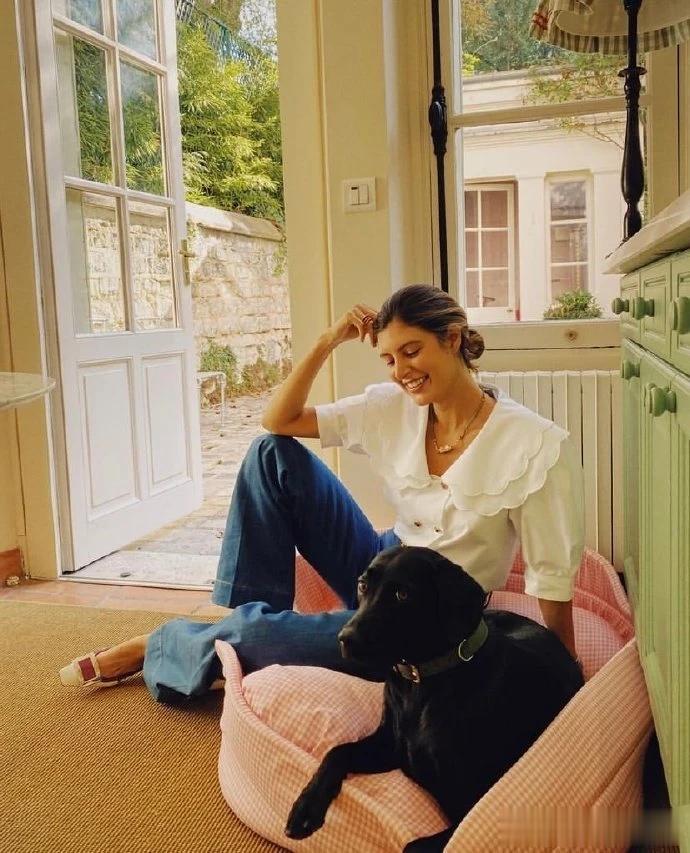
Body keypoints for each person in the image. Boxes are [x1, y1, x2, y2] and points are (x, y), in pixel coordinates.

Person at [60, 284, 584, 701]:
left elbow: (552, 574)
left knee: (265, 639)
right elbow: (279, 420)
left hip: (429, 608)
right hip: (382, 559)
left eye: (412, 351)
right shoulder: (391, 407)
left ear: (452, 338)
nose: (402, 372)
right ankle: (245, 622)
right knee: (271, 454)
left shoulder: (533, 443)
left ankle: (164, 644)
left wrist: (564, 672)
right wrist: (325, 342)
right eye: (389, 359)